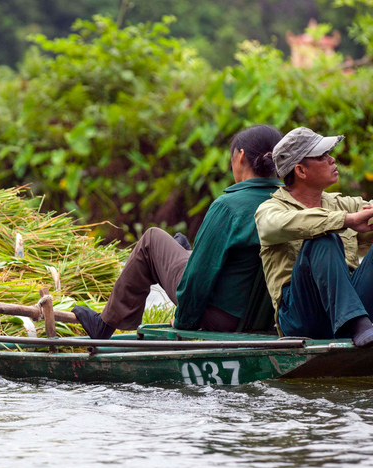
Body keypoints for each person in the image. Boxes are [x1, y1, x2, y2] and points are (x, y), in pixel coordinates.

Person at [73, 125, 283, 339]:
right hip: (267, 317)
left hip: (222, 317)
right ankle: (182, 250)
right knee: (184, 247)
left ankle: (104, 324)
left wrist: (184, 321)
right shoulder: (291, 203)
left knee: (151, 240)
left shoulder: (229, 207)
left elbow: (198, 278)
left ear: (241, 156)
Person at [254, 127, 373, 347]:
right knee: (323, 239)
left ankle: (358, 324)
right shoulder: (269, 209)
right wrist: (346, 220)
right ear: (300, 170)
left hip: (352, 307)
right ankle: (358, 325)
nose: (332, 159)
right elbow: (274, 226)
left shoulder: (341, 204)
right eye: (322, 156)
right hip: (302, 317)